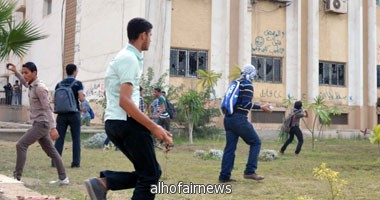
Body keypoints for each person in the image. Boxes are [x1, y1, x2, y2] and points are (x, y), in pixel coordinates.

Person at [84, 17, 173, 200]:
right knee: (150, 176)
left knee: (149, 172)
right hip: (126, 122)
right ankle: (103, 183)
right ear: (143, 35)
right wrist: (154, 127)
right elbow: (125, 101)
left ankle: (103, 183)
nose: (151, 39)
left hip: (117, 122)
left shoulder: (124, 57)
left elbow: (118, 96)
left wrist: (157, 128)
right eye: (150, 35)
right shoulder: (130, 59)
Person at [6, 62, 69, 185]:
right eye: (23, 72)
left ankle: (17, 177)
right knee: (52, 151)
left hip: (42, 124)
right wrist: (15, 72)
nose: (24, 75)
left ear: (34, 73)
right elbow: (24, 83)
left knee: (21, 145)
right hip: (39, 123)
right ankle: (63, 178)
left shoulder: (40, 88)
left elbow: (47, 108)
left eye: (26, 73)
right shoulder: (31, 85)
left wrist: (53, 127)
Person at [219, 64, 272, 183]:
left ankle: (224, 176)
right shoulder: (247, 85)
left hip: (228, 119)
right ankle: (250, 171)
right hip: (239, 119)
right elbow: (246, 104)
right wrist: (261, 106)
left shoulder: (236, 82)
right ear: (252, 74)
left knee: (230, 148)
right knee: (256, 142)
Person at [53, 64, 84, 168]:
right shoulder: (78, 84)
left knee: (59, 138)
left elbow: (54, 100)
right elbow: (81, 98)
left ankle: (55, 162)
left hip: (61, 114)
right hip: (74, 113)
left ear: (66, 71)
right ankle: (75, 163)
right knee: (76, 138)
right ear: (74, 72)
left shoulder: (59, 84)